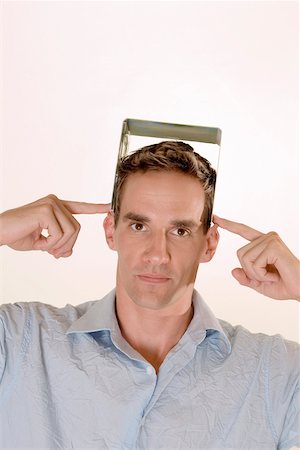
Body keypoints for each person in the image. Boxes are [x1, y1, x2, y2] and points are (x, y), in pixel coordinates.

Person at [0, 141, 299, 449]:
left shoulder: (272, 370)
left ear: (208, 244)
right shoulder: (21, 338)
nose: (157, 255)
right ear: (110, 231)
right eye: (139, 225)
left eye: (180, 231)